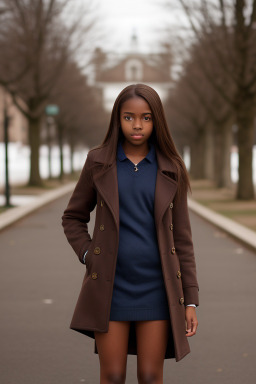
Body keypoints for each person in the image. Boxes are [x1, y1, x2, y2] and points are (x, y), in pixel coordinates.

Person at [61, 83, 199, 384]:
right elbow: (73, 217)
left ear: (156, 120)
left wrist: (190, 300)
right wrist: (88, 254)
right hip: (111, 287)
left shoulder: (171, 167)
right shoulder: (98, 162)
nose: (137, 125)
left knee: (150, 376)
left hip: (157, 288)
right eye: (129, 117)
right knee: (112, 376)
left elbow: (183, 240)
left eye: (146, 118)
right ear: (117, 119)